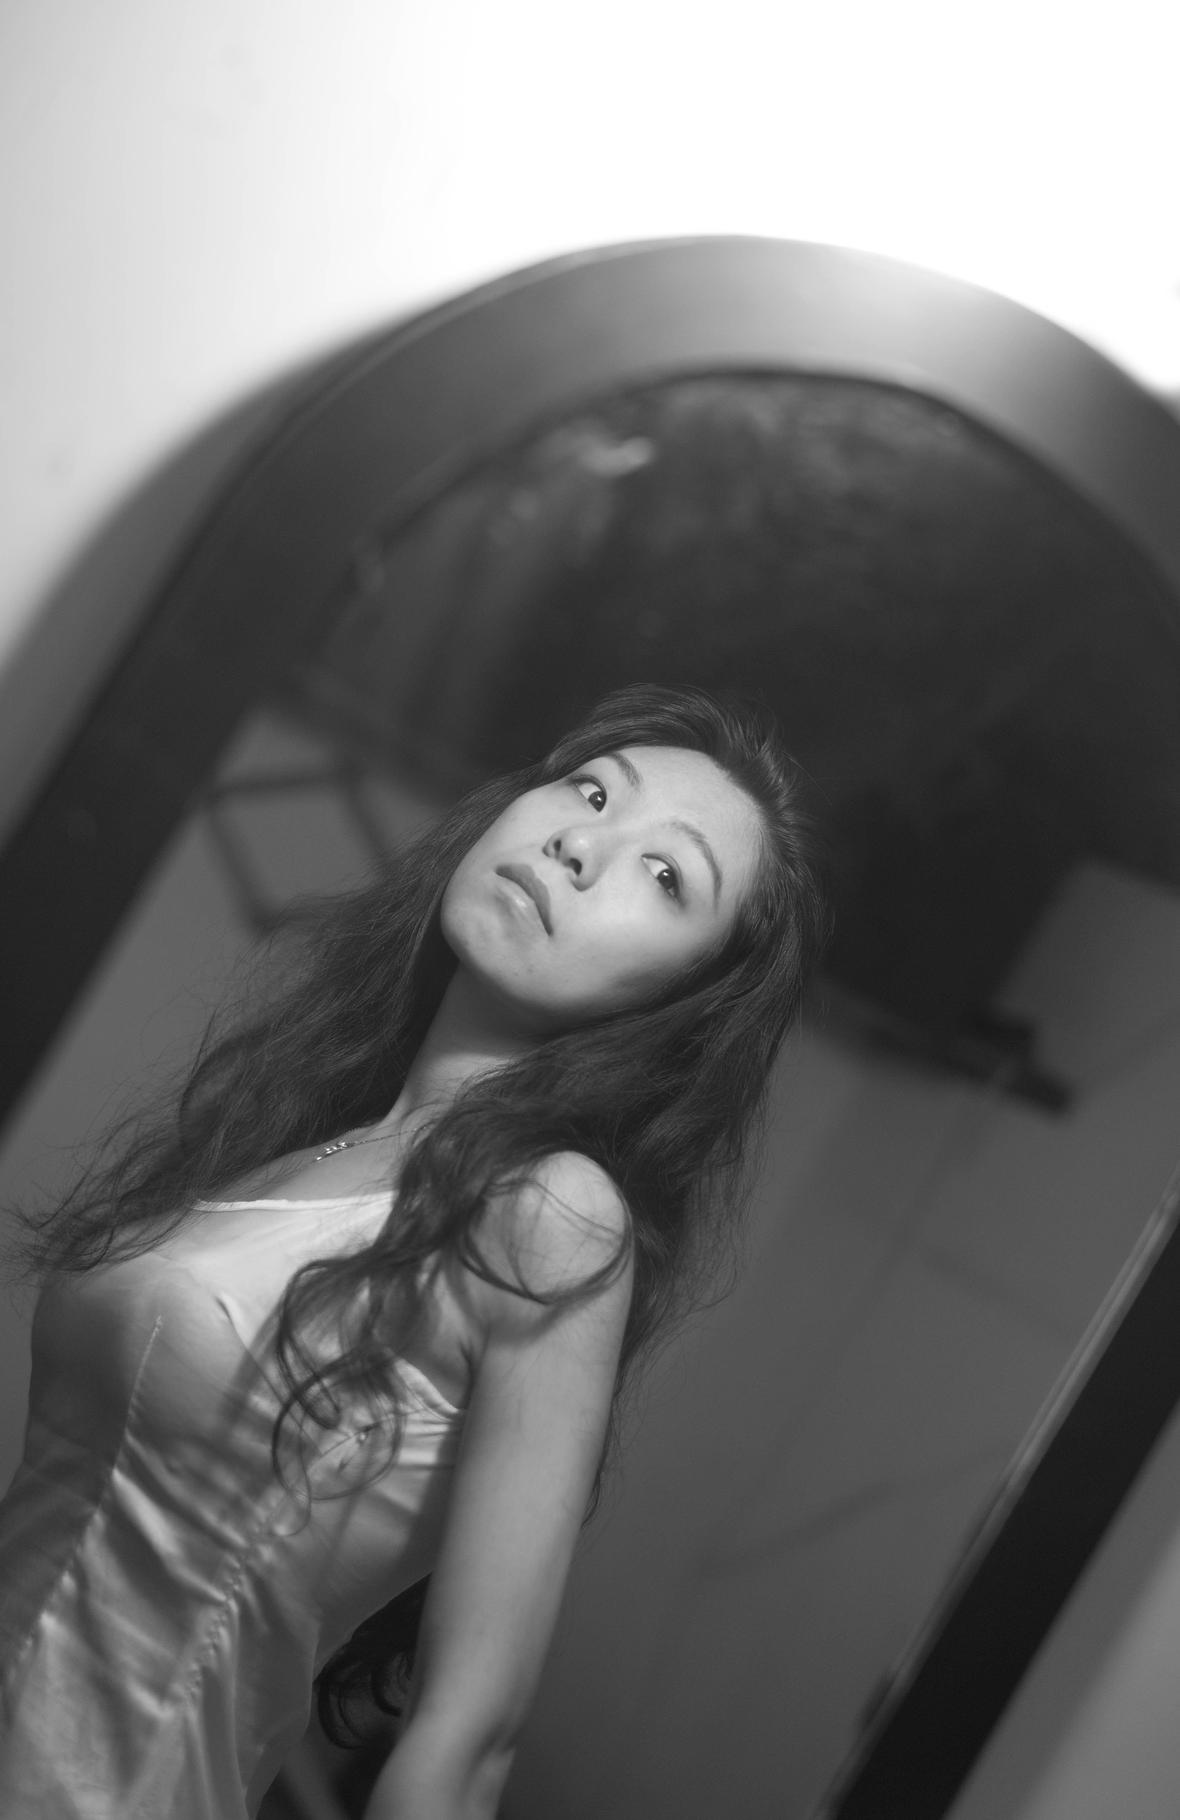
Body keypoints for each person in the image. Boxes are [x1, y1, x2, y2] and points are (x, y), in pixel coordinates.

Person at [0, 683, 828, 1820]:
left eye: (664, 872)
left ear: (685, 1000)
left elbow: (468, 1738)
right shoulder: (312, 1136)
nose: (582, 844)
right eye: (591, 792)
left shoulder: (551, 1212)